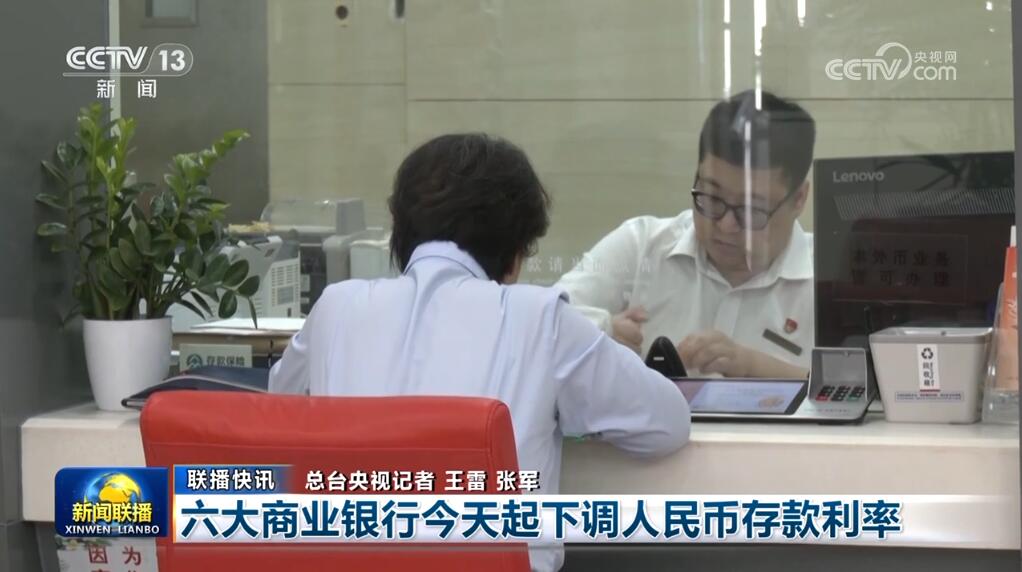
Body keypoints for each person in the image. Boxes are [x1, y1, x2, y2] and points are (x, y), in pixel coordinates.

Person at [269, 133, 690, 572]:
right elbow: (666, 423)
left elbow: (278, 408)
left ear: (399, 231)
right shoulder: (539, 317)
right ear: (516, 256)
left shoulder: (336, 308)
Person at [556, 89, 816, 378]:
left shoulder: (829, 281)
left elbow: (856, 387)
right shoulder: (642, 247)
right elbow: (541, 322)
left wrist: (753, 367)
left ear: (799, 199)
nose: (725, 225)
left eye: (751, 210)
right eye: (711, 198)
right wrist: (600, 331)